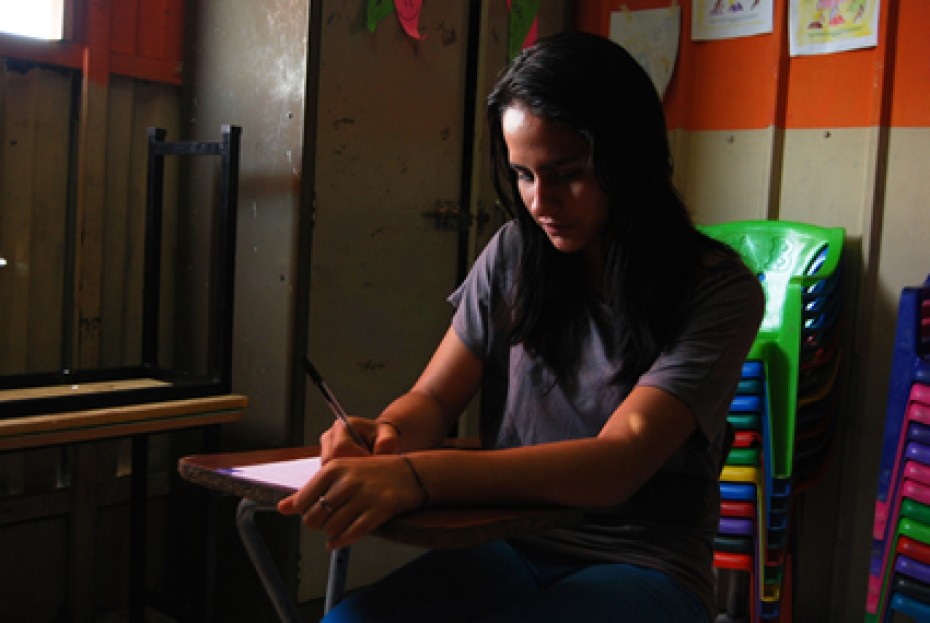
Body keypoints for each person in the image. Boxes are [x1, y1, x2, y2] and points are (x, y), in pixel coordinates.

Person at [278, 31, 764, 622]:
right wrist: (385, 438)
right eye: (524, 175)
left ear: (630, 159)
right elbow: (433, 396)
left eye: (567, 173)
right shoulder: (514, 252)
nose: (540, 201)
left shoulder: (717, 289)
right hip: (508, 543)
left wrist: (419, 477)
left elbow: (620, 460)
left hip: (643, 562)